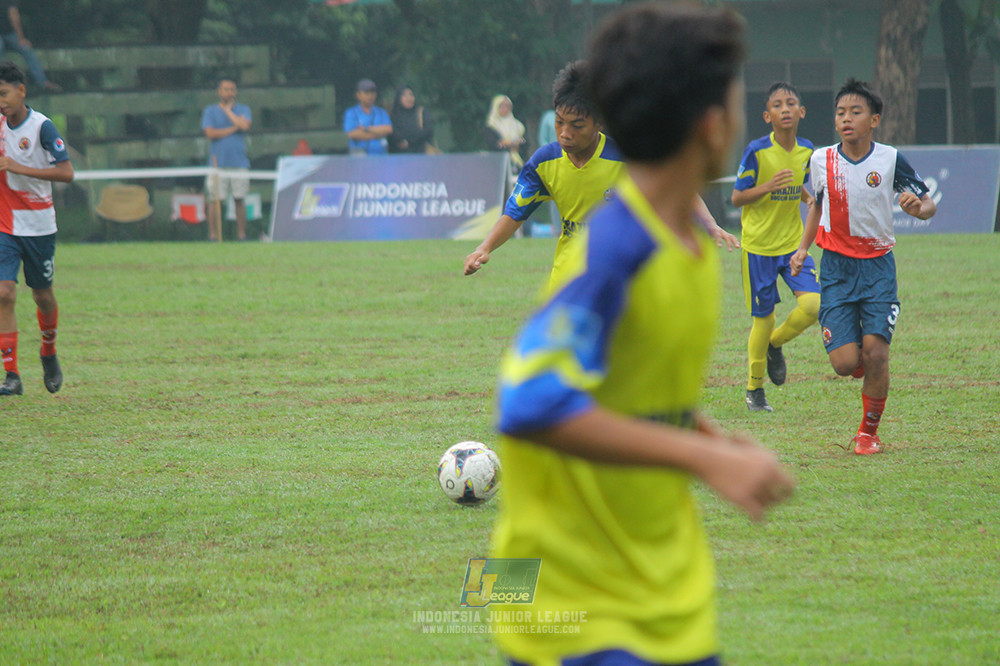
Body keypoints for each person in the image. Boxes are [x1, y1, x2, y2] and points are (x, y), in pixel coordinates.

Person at [490, 5, 796, 665]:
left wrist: (708, 435)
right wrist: (707, 460)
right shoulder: (616, 251)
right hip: (582, 617)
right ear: (713, 126)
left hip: (667, 597)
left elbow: (631, 379)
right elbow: (528, 401)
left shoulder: (683, 246)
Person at [465, 61, 737, 287]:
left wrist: (710, 224)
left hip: (622, 279)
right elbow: (514, 213)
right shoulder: (543, 162)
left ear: (599, 123)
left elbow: (676, 188)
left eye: (576, 125)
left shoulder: (626, 156)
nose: (564, 133)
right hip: (567, 281)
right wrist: (484, 247)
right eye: (559, 123)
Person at [791, 78, 936, 455]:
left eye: (856, 112)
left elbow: (928, 203)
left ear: (874, 119)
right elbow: (816, 206)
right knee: (844, 364)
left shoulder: (889, 158)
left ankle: (868, 434)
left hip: (877, 268)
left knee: (876, 354)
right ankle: (856, 360)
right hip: (836, 268)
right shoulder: (821, 159)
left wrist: (917, 209)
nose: (846, 119)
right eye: (840, 113)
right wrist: (802, 249)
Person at [732, 82, 819, 413]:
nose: (785, 109)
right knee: (763, 318)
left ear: (801, 112)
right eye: (778, 105)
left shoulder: (807, 151)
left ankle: (775, 344)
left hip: (793, 246)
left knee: (813, 306)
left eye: (791, 103)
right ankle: (755, 390)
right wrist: (767, 186)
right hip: (758, 248)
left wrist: (806, 195)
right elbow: (738, 196)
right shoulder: (756, 151)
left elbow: (795, 183)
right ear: (767, 116)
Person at [0, 61, 73, 396]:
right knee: (3, 293)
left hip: (40, 225)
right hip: (5, 224)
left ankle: (48, 350)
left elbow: (66, 173)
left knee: (42, 296)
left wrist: (20, 168)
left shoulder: (42, 127)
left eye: (4, 94)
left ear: (21, 91)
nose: (1, 101)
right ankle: (11, 374)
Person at [202, 77, 252, 241]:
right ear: (219, 91)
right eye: (225, 89)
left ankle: (241, 235)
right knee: (214, 201)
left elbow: (245, 126)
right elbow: (210, 134)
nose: (229, 92)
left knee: (240, 199)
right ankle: (213, 235)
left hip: (239, 162)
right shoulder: (210, 111)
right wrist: (233, 128)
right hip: (217, 163)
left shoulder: (244, 109)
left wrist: (229, 112)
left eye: (232, 89)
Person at [0, 2, 58, 92]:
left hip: (9, 33)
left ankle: (43, 82)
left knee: (26, 49)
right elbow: (14, 16)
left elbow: (14, 16)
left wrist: (21, 38)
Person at [344, 78, 392, 156]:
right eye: (366, 93)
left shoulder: (381, 112)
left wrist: (367, 129)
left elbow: (388, 129)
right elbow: (352, 134)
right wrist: (378, 134)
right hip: (359, 156)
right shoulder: (351, 113)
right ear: (358, 94)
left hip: (380, 156)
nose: (370, 96)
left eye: (372, 93)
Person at [483, 94, 526, 172]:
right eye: (502, 106)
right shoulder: (491, 125)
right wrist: (510, 144)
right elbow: (493, 144)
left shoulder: (518, 125)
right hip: (497, 164)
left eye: (508, 106)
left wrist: (514, 145)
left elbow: (525, 143)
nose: (505, 109)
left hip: (517, 163)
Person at [388, 86, 435, 154]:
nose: (409, 98)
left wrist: (409, 141)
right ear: (398, 98)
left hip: (422, 156)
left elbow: (428, 131)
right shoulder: (393, 115)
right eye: (404, 95)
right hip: (400, 158)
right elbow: (392, 134)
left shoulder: (421, 112)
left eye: (411, 95)